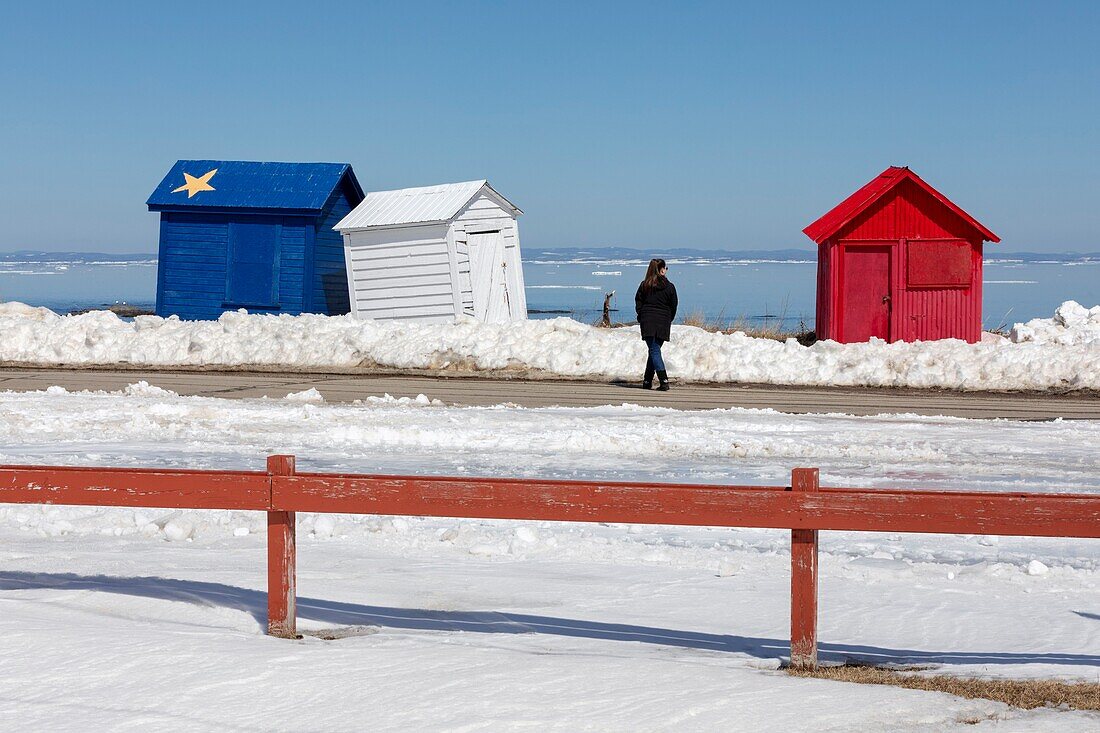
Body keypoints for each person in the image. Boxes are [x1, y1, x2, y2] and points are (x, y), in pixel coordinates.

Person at [634, 258, 677, 391]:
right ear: (661, 269)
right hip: (663, 321)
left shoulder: (644, 285)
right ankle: (649, 381)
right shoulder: (670, 287)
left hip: (648, 320)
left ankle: (661, 381)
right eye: (666, 268)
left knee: (654, 350)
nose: (666, 270)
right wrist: (669, 318)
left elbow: (638, 302)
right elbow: (674, 305)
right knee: (654, 349)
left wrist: (641, 315)